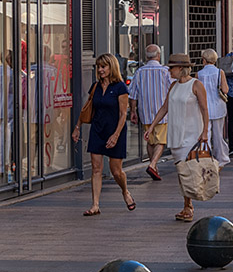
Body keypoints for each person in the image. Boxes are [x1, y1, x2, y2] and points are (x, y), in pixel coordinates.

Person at [145, 54, 209, 222]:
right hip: (175, 132)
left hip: (192, 134)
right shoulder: (173, 86)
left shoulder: (196, 85)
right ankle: (187, 204)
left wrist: (205, 132)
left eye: (171, 67)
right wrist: (152, 127)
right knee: (181, 171)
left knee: (185, 170)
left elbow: (204, 109)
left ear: (181, 68)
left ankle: (188, 206)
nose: (169, 70)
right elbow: (164, 107)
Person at [72, 53, 135, 216]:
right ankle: (95, 205)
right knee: (96, 169)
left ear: (111, 67)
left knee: (116, 171)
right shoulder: (96, 87)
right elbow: (88, 107)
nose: (100, 70)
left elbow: (123, 114)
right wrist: (77, 126)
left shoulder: (120, 87)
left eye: (103, 67)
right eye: (98, 67)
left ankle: (125, 191)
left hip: (116, 131)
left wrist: (115, 135)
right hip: (97, 130)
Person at [128, 44, 172, 181]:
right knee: (161, 141)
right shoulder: (165, 72)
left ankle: (154, 167)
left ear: (147, 57)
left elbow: (133, 95)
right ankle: (153, 164)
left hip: (145, 112)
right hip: (162, 113)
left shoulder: (139, 72)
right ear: (158, 55)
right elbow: (173, 90)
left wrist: (133, 111)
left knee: (150, 141)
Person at [196, 49, 231, 167]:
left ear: (204, 59)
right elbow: (225, 90)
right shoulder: (220, 72)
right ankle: (222, 158)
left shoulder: (199, 74)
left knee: (206, 133)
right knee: (218, 134)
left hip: (203, 108)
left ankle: (206, 157)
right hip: (218, 106)